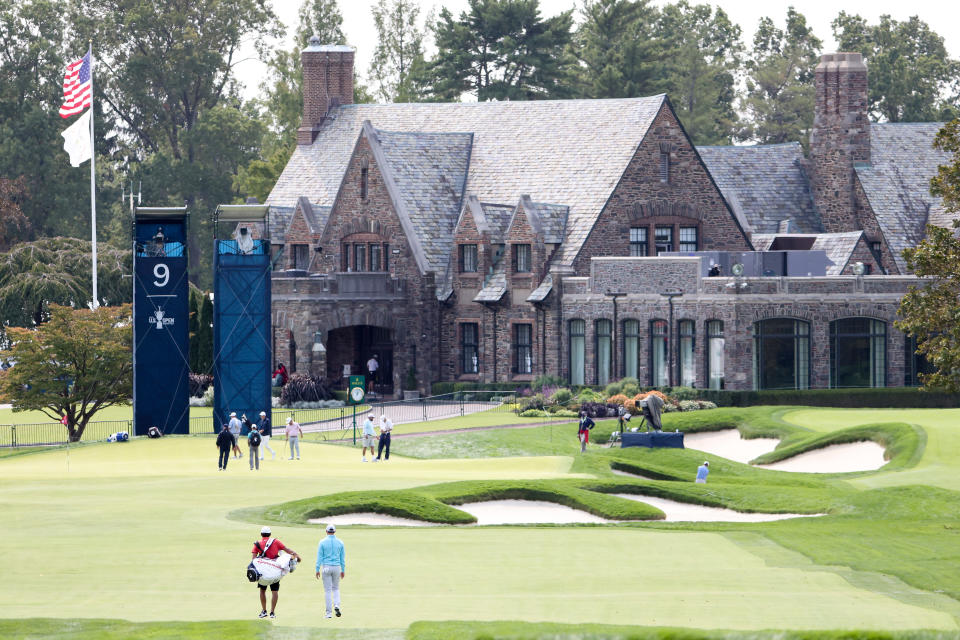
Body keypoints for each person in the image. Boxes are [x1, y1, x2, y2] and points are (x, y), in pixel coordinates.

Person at [252, 526, 301, 619]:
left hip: (263, 572)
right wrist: (296, 554)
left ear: (261, 534)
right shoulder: (276, 542)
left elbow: (254, 560)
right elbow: (287, 550)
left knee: (262, 591)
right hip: (275, 571)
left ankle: (264, 611)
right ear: (270, 534)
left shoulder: (257, 544)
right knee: (274, 592)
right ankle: (272, 613)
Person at [315, 524, 345, 619]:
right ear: (335, 531)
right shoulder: (340, 542)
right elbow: (342, 558)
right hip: (337, 567)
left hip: (326, 567)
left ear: (326, 531)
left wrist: (317, 569)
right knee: (336, 588)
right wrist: (343, 570)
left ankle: (328, 614)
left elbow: (319, 557)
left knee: (327, 591)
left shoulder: (322, 542)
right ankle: (337, 605)